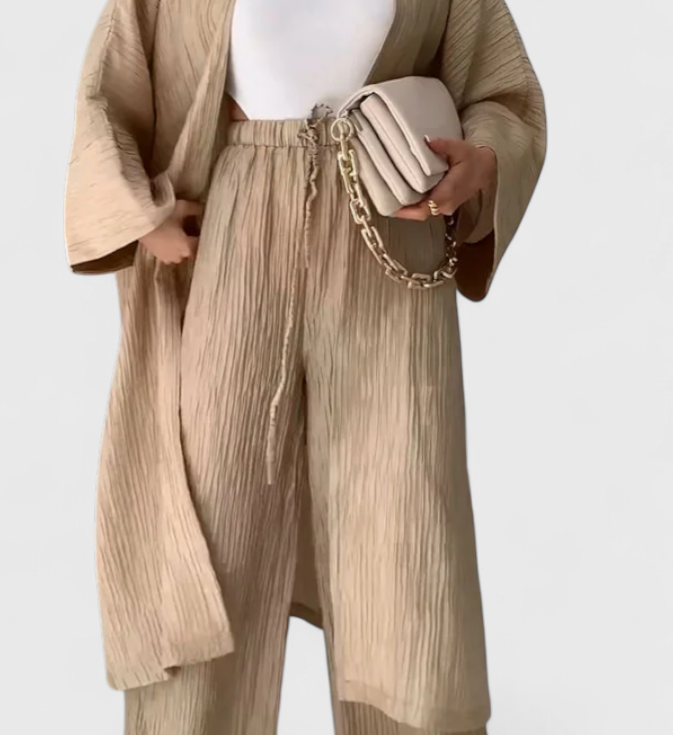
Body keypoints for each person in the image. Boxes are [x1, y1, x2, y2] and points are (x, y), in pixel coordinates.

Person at [63, 0, 546, 733]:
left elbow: (502, 95)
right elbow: (109, 87)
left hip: (389, 237)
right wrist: (142, 214)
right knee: (210, 524)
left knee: (401, 524)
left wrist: (482, 160)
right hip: (232, 235)